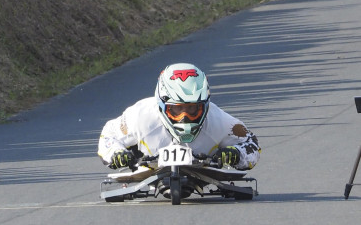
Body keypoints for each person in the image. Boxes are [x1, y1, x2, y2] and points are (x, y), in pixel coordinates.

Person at [97, 63, 261, 174]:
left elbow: (251, 143)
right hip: (148, 163)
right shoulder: (139, 115)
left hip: (203, 166)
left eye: (192, 108)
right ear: (162, 104)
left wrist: (236, 153)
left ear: (204, 105)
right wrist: (117, 153)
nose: (185, 117)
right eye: (177, 108)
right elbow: (109, 135)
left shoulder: (220, 121)